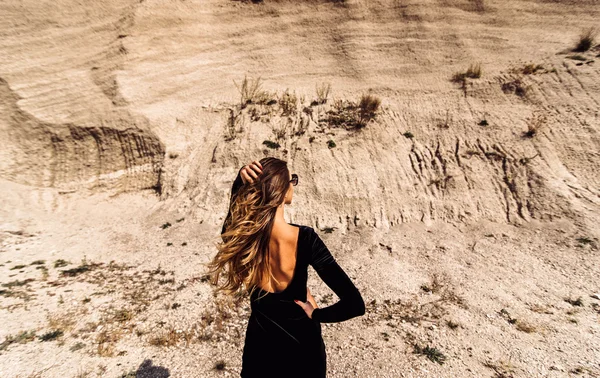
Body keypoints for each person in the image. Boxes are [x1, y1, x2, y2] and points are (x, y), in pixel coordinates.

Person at [207, 157, 365, 378]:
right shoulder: (305, 238)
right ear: (281, 191)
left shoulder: (245, 239)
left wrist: (239, 186)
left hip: (259, 349)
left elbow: (229, 229)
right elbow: (354, 305)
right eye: (292, 180)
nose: (293, 184)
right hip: (303, 350)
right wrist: (316, 314)